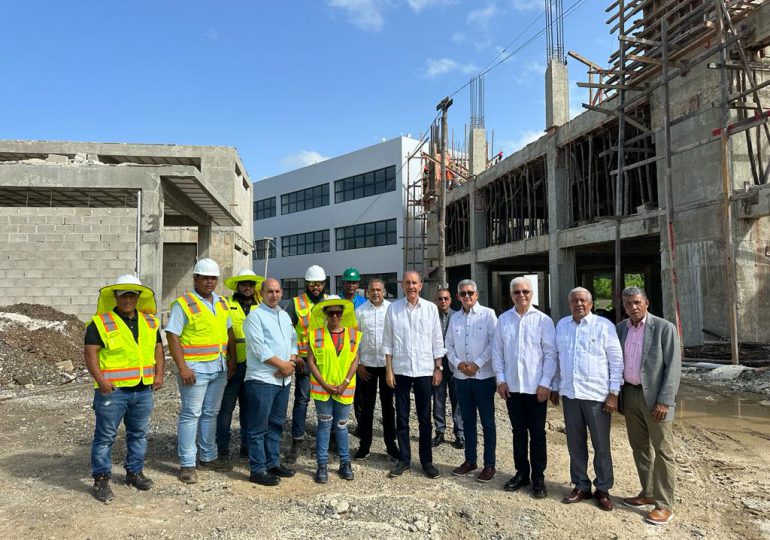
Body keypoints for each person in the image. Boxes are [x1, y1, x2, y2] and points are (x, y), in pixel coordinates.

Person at [84, 274, 164, 503]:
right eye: (123, 294)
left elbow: (158, 349)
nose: (127, 299)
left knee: (138, 434)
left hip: (143, 388)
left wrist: (158, 374)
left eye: (132, 294)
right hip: (113, 391)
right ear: (115, 297)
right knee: (105, 436)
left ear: (138, 297)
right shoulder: (101, 322)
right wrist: (101, 381)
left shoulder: (150, 322)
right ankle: (101, 479)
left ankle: (134, 473)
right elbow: (90, 353)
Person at [166, 258, 236, 484]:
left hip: (218, 367)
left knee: (210, 413)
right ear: (195, 278)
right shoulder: (183, 304)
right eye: (205, 277)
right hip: (195, 371)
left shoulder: (222, 303)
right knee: (190, 415)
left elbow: (229, 332)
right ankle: (187, 463)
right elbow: (172, 336)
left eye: (213, 278)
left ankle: (208, 456)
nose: (209, 281)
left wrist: (232, 360)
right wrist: (182, 367)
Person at [616, 286, 681, 526]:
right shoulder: (620, 329)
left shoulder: (664, 328)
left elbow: (672, 368)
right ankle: (648, 492)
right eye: (628, 304)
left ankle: (664, 505)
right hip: (630, 394)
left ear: (646, 303)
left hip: (655, 399)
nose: (632, 308)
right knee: (639, 447)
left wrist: (665, 400)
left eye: (636, 303)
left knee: (663, 450)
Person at [555, 287, 623, 511]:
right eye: (574, 300)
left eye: (583, 300)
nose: (579, 304)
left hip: (597, 396)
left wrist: (614, 393)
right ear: (569, 304)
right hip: (571, 395)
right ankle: (581, 485)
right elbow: (557, 358)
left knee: (601, 445)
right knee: (575, 443)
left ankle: (602, 488)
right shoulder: (562, 325)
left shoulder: (604, 326)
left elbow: (616, 361)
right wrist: (555, 386)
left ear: (591, 304)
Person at [492, 276, 557, 498]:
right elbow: (497, 352)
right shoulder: (503, 320)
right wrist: (500, 380)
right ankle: (522, 473)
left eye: (525, 292)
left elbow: (550, 354)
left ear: (532, 294)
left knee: (537, 433)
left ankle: (538, 478)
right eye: (517, 292)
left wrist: (545, 383)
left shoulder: (543, 320)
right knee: (518, 432)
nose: (521, 295)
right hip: (512, 388)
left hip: (536, 388)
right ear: (511, 295)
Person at [383, 271, 445, 479]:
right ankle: (404, 459)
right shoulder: (393, 309)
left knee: (424, 418)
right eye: (407, 283)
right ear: (402, 285)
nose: (411, 286)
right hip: (400, 371)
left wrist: (438, 368)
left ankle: (426, 461)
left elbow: (437, 341)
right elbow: (388, 343)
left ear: (420, 286)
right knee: (402, 417)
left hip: (424, 371)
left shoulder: (429, 309)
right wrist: (389, 370)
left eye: (415, 283)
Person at [242, 278, 297, 486]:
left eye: (277, 291)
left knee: (276, 424)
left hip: (283, 380)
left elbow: (293, 341)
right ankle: (257, 469)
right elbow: (259, 349)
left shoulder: (284, 316)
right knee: (258, 427)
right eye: (269, 292)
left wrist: (290, 362)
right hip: (262, 379)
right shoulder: (255, 317)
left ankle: (273, 463)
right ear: (261, 293)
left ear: (281, 293)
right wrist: (281, 366)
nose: (273, 295)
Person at [446, 279, 498, 482]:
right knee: (467, 420)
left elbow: (495, 343)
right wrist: (458, 364)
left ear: (476, 294)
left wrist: (477, 364)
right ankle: (470, 460)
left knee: (487, 422)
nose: (467, 296)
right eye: (463, 293)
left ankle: (489, 464)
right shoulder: (455, 318)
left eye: (470, 293)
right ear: (458, 296)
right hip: (461, 378)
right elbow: (448, 345)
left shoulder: (488, 315)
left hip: (483, 377)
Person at [306, 296, 361, 483]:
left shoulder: (353, 334)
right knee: (324, 426)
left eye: (338, 312)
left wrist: (345, 382)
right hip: (323, 390)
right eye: (331, 313)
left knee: (342, 426)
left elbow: (355, 360)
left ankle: (345, 463)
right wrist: (324, 384)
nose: (335, 316)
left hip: (345, 389)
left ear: (342, 314)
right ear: (326, 314)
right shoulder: (315, 335)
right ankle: (322, 465)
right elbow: (311, 362)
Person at [216, 269, 264, 461]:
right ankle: (222, 448)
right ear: (237, 286)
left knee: (249, 408)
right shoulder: (227, 305)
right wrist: (230, 362)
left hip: (254, 366)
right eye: (244, 284)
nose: (247, 287)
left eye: (251, 284)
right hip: (233, 366)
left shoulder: (260, 308)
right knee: (226, 408)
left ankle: (246, 446)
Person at [285, 264, 328, 463]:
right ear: (307, 283)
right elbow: (287, 332)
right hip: (304, 362)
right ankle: (297, 440)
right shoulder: (296, 304)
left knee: (326, 401)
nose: (316, 287)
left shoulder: (330, 302)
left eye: (319, 283)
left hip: (325, 361)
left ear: (324, 283)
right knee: (302, 400)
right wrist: (295, 356)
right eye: (312, 283)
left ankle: (328, 440)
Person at [352, 278, 399, 460]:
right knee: (366, 408)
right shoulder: (360, 311)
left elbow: (397, 338)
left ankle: (391, 445)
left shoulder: (392, 310)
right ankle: (364, 445)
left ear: (385, 291)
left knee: (388, 407)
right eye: (372, 290)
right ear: (367, 292)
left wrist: (393, 367)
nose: (376, 293)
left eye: (379, 289)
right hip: (367, 367)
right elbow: (355, 340)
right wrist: (359, 364)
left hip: (388, 367)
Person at [432, 287, 464, 449]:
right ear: (436, 301)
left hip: (454, 363)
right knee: (438, 398)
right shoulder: (431, 316)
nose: (443, 301)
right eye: (440, 299)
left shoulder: (458, 317)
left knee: (457, 398)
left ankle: (459, 433)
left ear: (451, 300)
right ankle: (440, 431)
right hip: (437, 363)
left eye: (446, 298)